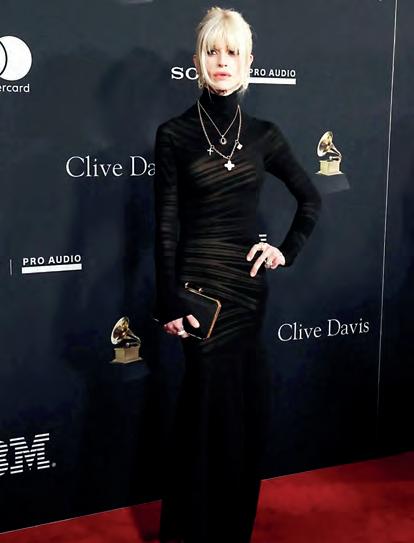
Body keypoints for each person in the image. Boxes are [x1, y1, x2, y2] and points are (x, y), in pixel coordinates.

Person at [152, 7, 322, 543]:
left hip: (247, 293)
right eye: (212, 51)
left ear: (249, 61)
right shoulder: (174, 134)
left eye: (232, 52)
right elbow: (165, 226)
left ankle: (230, 531)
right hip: (198, 293)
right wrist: (168, 301)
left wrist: (283, 251)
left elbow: (311, 199)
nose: (222, 61)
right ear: (197, 61)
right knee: (202, 412)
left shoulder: (265, 135)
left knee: (240, 416)